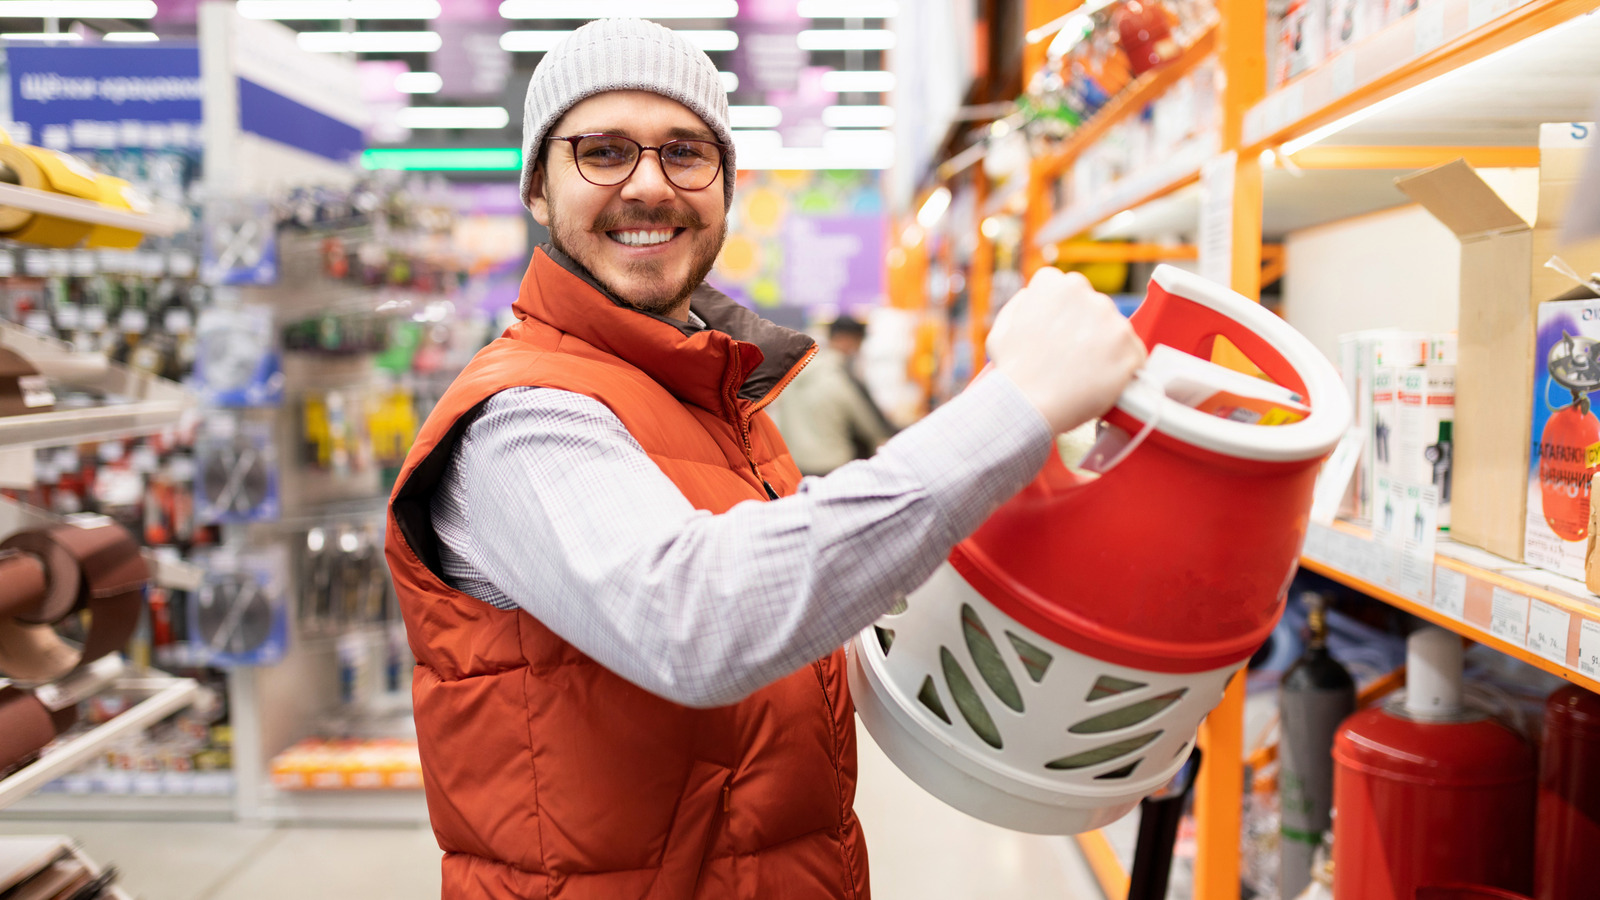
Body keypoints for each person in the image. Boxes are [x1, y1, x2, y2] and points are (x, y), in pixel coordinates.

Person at [383, 18, 1146, 900]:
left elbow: (798, 625)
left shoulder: (713, 399)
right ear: (539, 192)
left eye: (685, 152)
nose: (648, 185)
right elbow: (697, 621)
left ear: (724, 184)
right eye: (601, 152)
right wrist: (1015, 408)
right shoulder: (519, 417)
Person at [770, 315, 898, 475]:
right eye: (857, 343)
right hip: (833, 467)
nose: (857, 350)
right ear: (846, 339)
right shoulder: (840, 376)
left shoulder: (793, 373)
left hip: (795, 465)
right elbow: (870, 425)